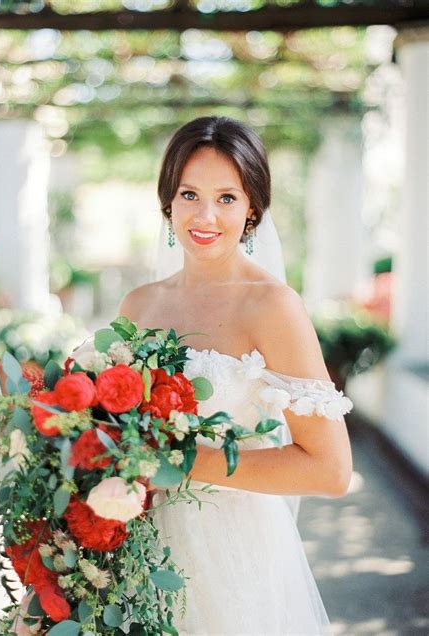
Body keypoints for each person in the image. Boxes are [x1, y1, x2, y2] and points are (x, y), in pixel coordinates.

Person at [118, 115, 353, 635]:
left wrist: (180, 462)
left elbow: (330, 470)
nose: (205, 215)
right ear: (167, 202)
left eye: (227, 197)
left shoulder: (272, 307)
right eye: (189, 194)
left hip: (232, 560)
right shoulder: (137, 306)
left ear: (253, 210)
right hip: (134, 551)